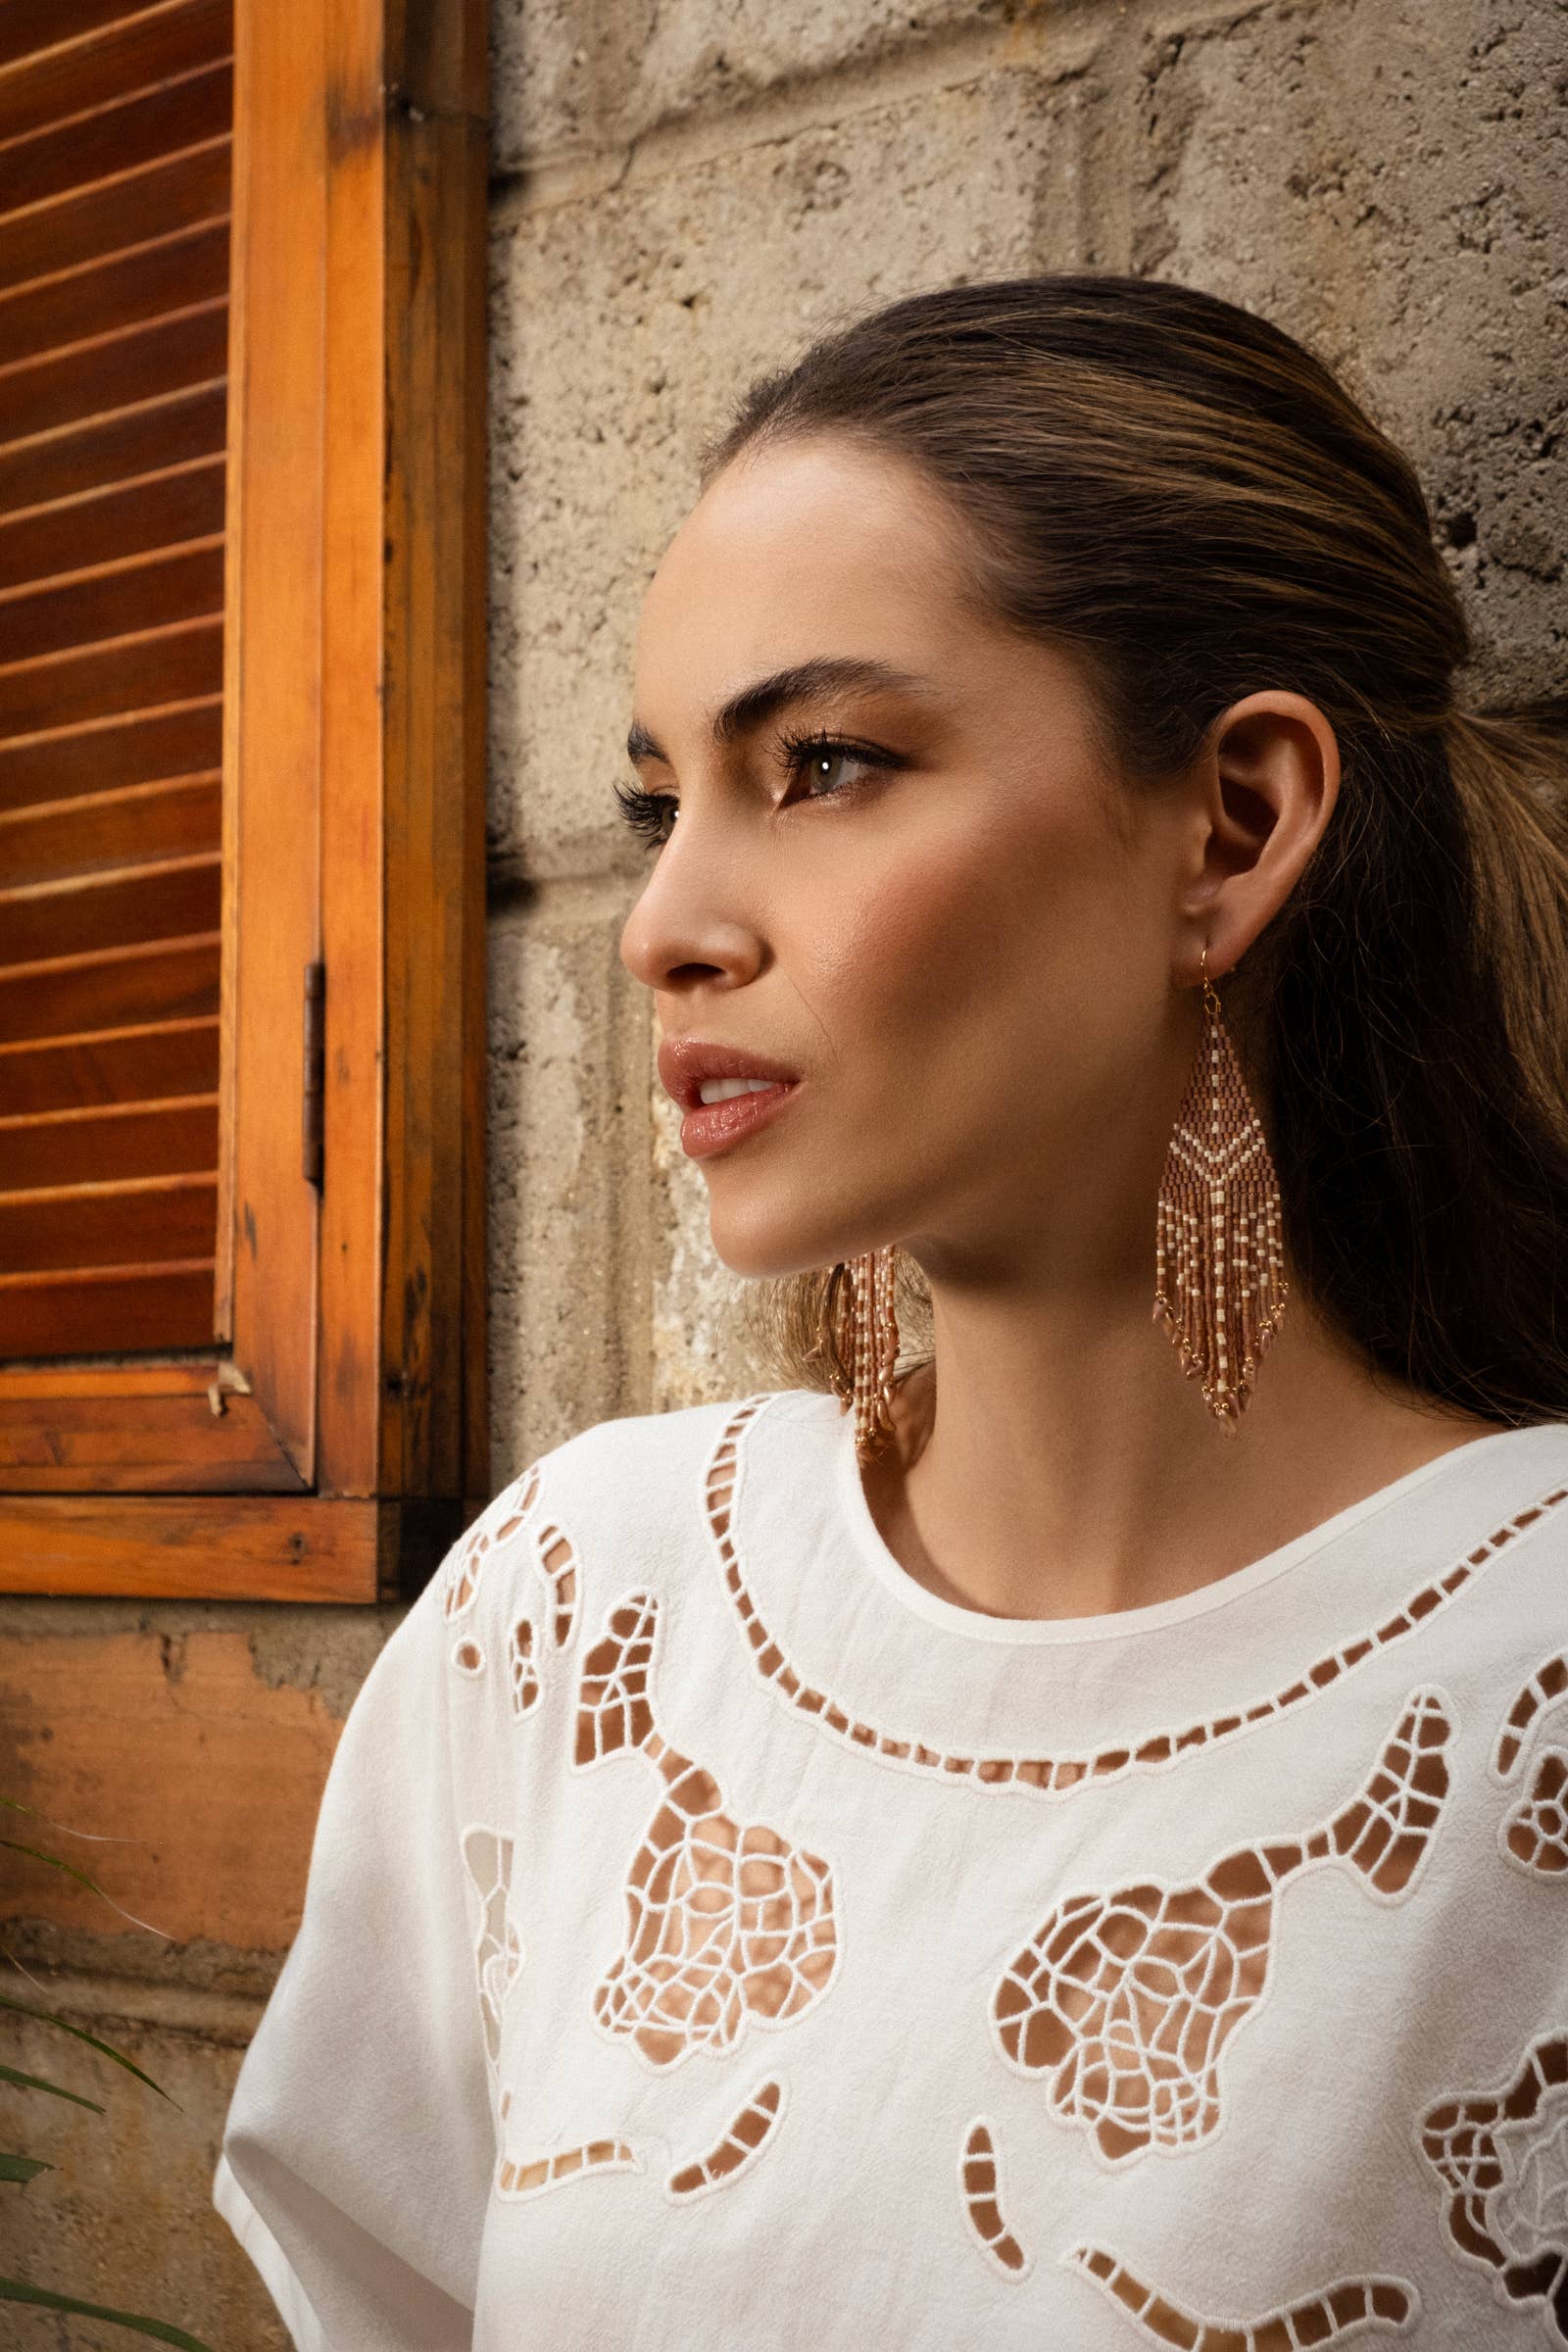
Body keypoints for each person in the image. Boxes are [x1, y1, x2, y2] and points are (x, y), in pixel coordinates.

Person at [214, 274, 1568, 2350]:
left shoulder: (1525, 1681)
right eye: (662, 802)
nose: (664, 925)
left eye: (824, 763)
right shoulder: (584, 1610)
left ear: (1232, 822)